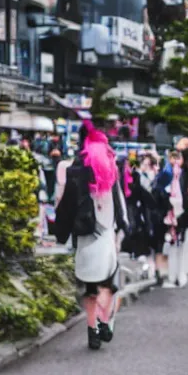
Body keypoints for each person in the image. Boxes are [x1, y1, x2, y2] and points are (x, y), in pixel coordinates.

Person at [54, 124, 129, 350]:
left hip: (84, 235)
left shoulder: (75, 168)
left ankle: (92, 329)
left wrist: (60, 234)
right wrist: (124, 226)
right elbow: (118, 200)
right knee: (107, 283)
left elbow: (65, 205)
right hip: (106, 233)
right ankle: (103, 322)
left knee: (90, 286)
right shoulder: (110, 165)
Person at [155, 149, 188, 288]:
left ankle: (178, 274)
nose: (176, 161)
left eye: (178, 157)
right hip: (168, 213)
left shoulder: (186, 175)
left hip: (181, 214)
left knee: (180, 245)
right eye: (173, 157)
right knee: (171, 245)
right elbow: (158, 192)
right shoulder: (165, 174)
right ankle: (171, 275)